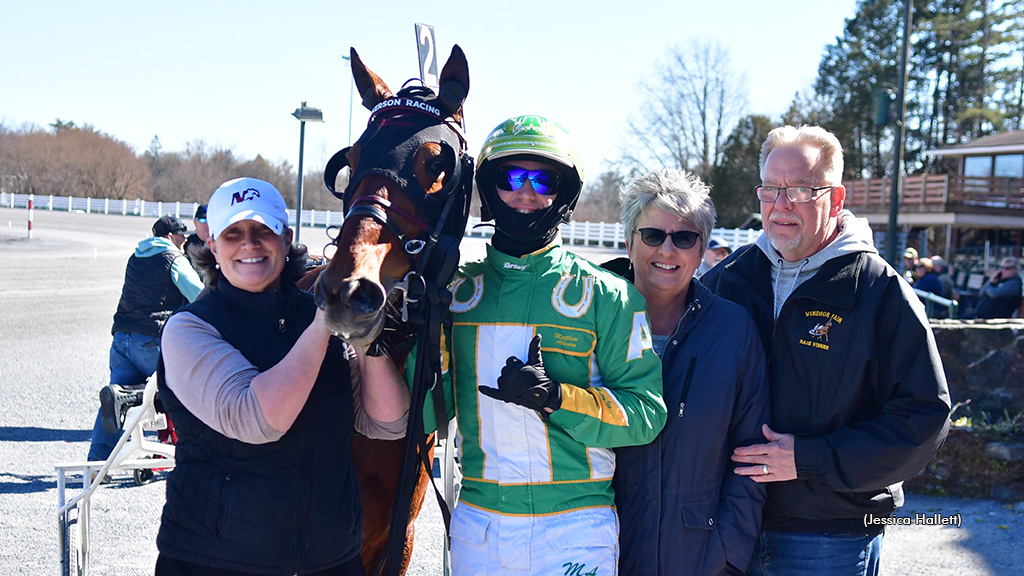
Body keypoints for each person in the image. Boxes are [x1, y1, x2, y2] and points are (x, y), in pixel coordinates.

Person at [377, 115, 666, 575]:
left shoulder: (609, 296)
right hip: (481, 526)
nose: (526, 193)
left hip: (576, 524)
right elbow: (423, 417)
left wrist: (557, 398)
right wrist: (419, 338)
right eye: (512, 178)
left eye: (543, 179)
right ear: (489, 189)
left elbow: (645, 416)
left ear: (564, 193)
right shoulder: (453, 295)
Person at [701, 125, 951, 576]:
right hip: (730, 523)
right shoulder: (729, 279)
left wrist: (809, 459)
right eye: (771, 189)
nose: (781, 205)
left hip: (826, 536)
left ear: (835, 200)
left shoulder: (878, 290)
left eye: (799, 190)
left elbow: (924, 417)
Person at [154, 177, 410, 575]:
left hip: (331, 559)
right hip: (217, 560)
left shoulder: (312, 315)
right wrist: (326, 318)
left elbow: (388, 423)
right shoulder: (190, 329)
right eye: (233, 233)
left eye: (263, 231)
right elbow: (258, 419)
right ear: (213, 248)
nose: (249, 244)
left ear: (287, 238)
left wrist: (365, 334)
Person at [605, 168, 770, 576]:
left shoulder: (733, 331)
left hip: (698, 558)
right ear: (629, 242)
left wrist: (728, 555)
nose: (668, 250)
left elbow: (751, 454)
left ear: (701, 252)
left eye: (684, 238)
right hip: (595, 549)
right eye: (653, 235)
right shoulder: (586, 318)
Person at [86, 215, 204, 465]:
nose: (184, 241)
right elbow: (198, 294)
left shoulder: (135, 257)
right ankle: (194, 455)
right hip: (151, 340)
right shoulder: (173, 258)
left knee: (115, 402)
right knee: (184, 389)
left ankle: (97, 464)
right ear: (171, 237)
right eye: (182, 236)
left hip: (121, 339)